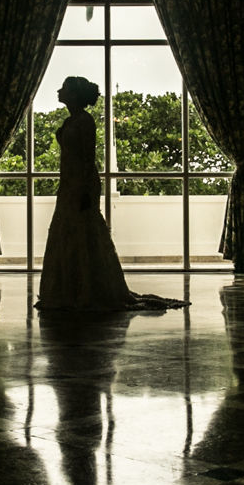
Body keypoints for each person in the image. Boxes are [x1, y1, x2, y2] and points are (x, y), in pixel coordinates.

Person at [36, 76, 188, 312]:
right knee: (68, 233)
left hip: (81, 184)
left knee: (83, 232)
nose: (59, 91)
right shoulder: (73, 120)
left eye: (64, 88)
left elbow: (88, 157)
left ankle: (86, 289)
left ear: (74, 95)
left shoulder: (84, 122)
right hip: (68, 184)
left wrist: (86, 190)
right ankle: (72, 289)